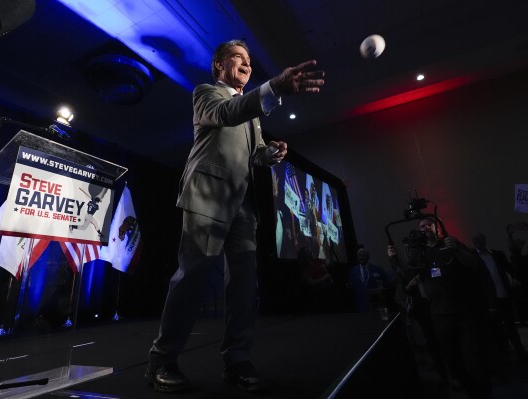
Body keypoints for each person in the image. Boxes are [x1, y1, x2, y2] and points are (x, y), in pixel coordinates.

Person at [146, 39, 324, 394]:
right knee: (192, 279)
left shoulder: (252, 113)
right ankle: (161, 362)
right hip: (207, 198)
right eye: (238, 58)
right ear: (219, 66)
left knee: (244, 286)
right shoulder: (207, 94)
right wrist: (274, 86)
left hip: (244, 205)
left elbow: (251, 153)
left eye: (249, 60)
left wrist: (269, 153)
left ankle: (237, 361)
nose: (246, 64)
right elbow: (228, 113)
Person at [395, 217, 492, 398]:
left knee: (472, 355)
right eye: (421, 227)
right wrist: (394, 258)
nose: (425, 229)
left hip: (464, 311)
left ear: (437, 227)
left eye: (428, 225)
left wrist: (455, 248)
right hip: (438, 313)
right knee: (450, 354)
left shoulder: (450, 244)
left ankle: (479, 391)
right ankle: (460, 384)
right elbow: (411, 275)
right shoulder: (421, 252)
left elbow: (473, 264)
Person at [471, 233, 528, 369]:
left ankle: (517, 355)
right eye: (476, 241)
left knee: (509, 328)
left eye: (479, 240)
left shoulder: (496, 255)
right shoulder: (476, 258)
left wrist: (516, 278)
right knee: (499, 330)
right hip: (491, 299)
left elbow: (508, 269)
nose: (478, 243)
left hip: (503, 296)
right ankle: (508, 356)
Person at [347, 247, 390, 312]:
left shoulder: (378, 270)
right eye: (359, 256)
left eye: (363, 255)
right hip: (359, 307)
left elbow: (386, 285)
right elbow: (350, 287)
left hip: (377, 306)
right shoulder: (352, 271)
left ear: (368, 257)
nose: (361, 257)